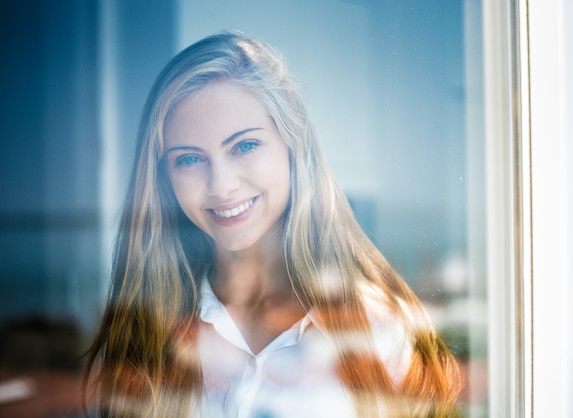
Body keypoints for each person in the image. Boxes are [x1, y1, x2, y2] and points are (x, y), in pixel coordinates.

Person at [84, 32, 462, 418]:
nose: (221, 185)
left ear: (293, 147)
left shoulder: (377, 325)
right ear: (165, 177)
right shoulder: (136, 341)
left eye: (245, 146)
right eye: (190, 159)